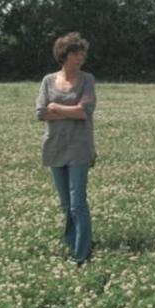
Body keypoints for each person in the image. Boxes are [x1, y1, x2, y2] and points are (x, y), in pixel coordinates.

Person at [35, 32, 97, 266]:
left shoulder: (87, 80)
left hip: (80, 147)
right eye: (77, 54)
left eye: (82, 54)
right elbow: (41, 112)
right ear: (65, 55)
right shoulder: (48, 81)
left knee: (77, 202)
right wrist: (69, 109)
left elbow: (85, 111)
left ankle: (82, 255)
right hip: (55, 146)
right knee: (65, 203)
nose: (81, 58)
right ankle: (72, 242)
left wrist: (56, 107)